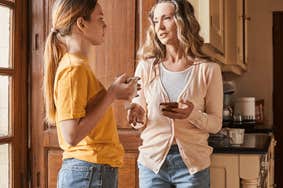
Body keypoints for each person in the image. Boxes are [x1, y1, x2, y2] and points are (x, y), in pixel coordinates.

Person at [127, 0, 223, 187]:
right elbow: (140, 121)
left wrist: (192, 114)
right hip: (152, 164)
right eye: (155, 21)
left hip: (193, 165)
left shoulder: (208, 70)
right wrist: (136, 117)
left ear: (183, 21)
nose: (160, 26)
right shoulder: (146, 68)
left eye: (167, 18)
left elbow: (216, 124)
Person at [43, 0, 138, 187]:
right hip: (89, 172)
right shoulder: (74, 68)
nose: (105, 25)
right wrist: (111, 94)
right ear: (81, 24)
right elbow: (71, 135)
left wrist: (116, 93)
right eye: (100, 18)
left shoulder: (78, 66)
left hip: (92, 171)